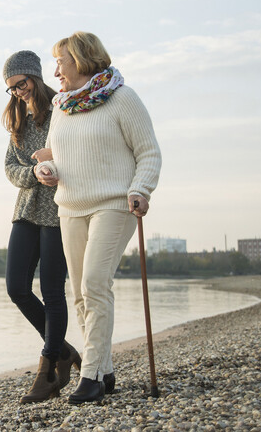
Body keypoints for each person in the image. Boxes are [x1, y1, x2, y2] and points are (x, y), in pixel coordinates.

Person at [34, 32, 162, 404]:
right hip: (70, 206)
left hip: (114, 203)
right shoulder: (62, 106)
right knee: (78, 294)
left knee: (93, 284)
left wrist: (141, 189)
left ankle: (89, 378)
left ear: (82, 59)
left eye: (60, 61)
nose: (55, 70)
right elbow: (60, 155)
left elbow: (149, 152)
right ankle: (104, 370)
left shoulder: (122, 98)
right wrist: (48, 168)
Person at [1, 50, 81, 403]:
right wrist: (32, 172)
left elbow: (79, 151)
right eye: (12, 88)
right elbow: (9, 167)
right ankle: (62, 350)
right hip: (27, 208)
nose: (19, 92)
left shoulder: (62, 109)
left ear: (35, 76)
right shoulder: (17, 118)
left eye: (22, 83)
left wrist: (54, 163)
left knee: (52, 290)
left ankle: (49, 367)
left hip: (60, 210)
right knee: (16, 286)